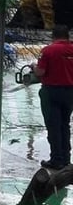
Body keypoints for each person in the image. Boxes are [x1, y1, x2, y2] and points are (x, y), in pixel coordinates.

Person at [32, 24, 73, 169]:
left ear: (53, 36)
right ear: (67, 36)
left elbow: (40, 72)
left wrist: (33, 68)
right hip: (70, 93)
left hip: (51, 92)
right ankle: (66, 159)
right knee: (65, 125)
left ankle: (56, 159)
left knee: (53, 126)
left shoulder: (48, 51)